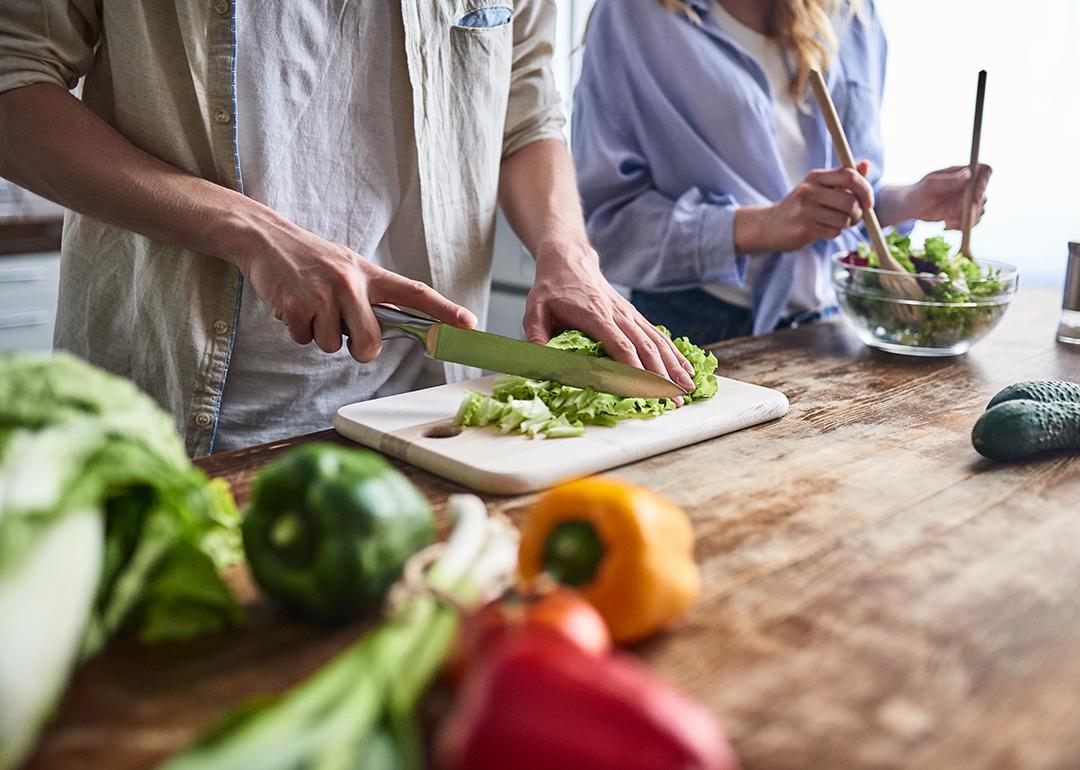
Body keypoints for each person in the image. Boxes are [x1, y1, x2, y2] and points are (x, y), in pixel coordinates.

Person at [0, 1, 694, 458]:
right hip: (177, 418)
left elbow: (528, 113)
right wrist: (253, 232)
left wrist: (567, 252)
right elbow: (13, 76)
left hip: (434, 418)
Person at [572, 0, 991, 345]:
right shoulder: (634, 15)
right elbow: (605, 222)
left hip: (828, 327)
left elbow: (858, 197)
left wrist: (910, 202)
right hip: (694, 330)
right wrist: (765, 225)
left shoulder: (852, 13)